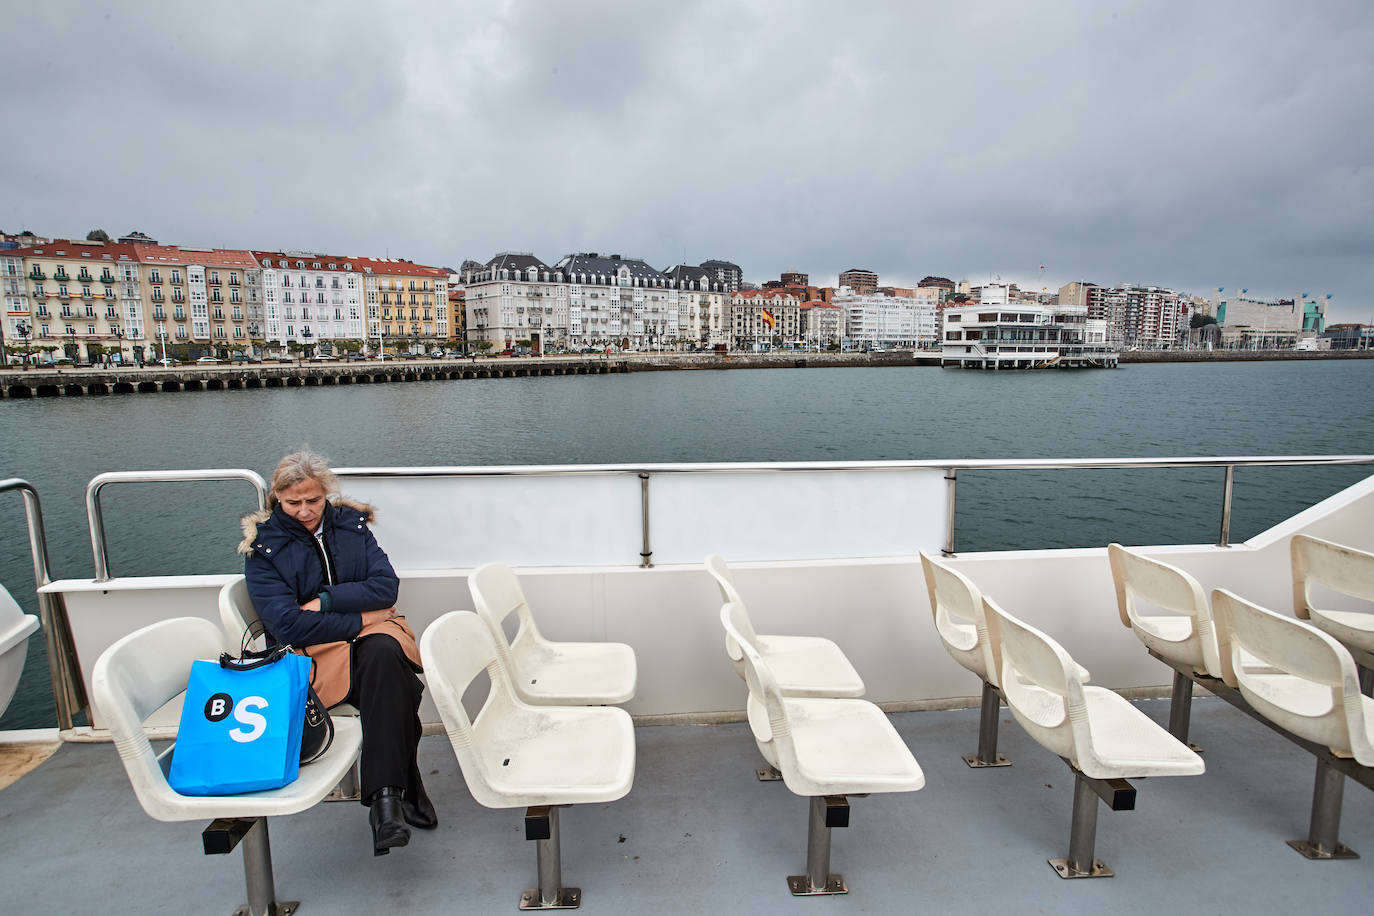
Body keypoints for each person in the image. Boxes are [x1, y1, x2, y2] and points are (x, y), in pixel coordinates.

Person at [239, 449, 434, 856]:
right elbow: (287, 625)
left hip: (367, 644)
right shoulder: (264, 549)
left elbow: (386, 588)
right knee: (397, 683)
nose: (306, 511)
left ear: (325, 493)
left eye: (314, 500)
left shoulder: (350, 525)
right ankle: (401, 792)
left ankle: (384, 804)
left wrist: (325, 602)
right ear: (277, 497)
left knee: (383, 658)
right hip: (312, 656)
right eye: (294, 503)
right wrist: (364, 619)